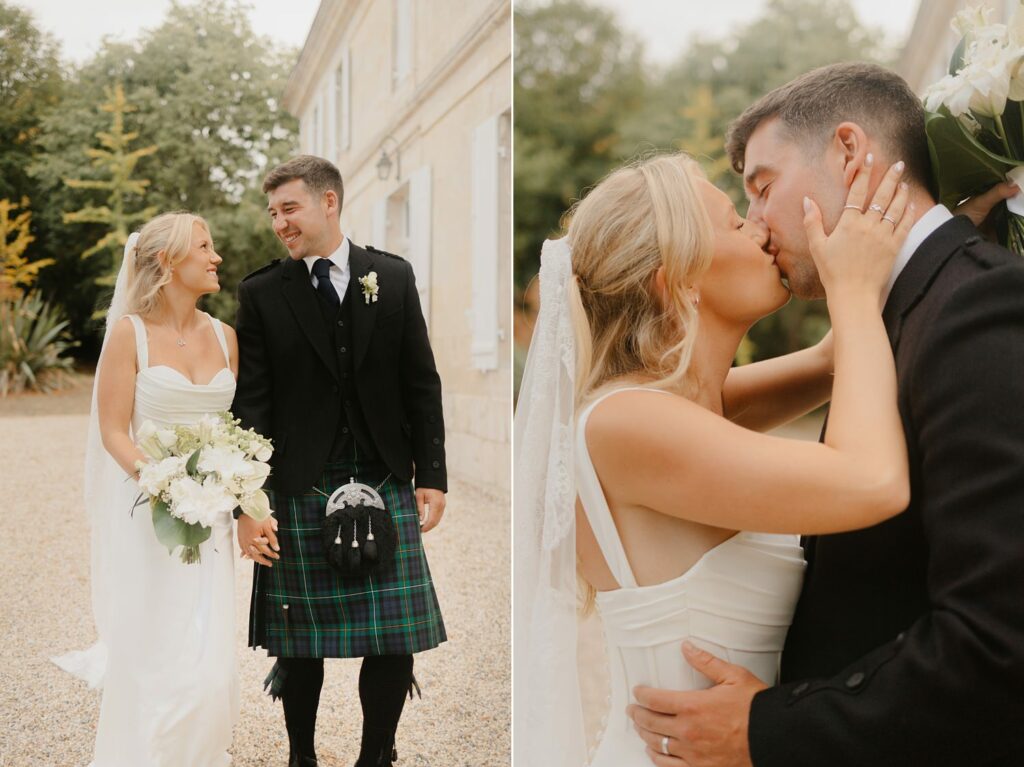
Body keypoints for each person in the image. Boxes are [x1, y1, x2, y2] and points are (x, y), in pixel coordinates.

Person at [629, 62, 1024, 767]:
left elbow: (999, 640)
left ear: (848, 152)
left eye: (762, 188)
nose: (756, 225)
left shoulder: (978, 306)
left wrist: (769, 729)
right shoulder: (886, 315)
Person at [514, 147, 918, 766]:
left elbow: (833, 358)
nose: (760, 228)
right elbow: (874, 481)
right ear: (677, 281)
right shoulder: (627, 424)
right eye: (735, 222)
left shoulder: (688, 407)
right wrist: (853, 290)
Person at [232, 155, 447, 767]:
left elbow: (420, 381)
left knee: (393, 636)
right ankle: (301, 757)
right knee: (300, 642)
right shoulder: (261, 292)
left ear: (329, 202)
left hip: (384, 470)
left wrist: (432, 475)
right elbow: (252, 404)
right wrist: (250, 501)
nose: (279, 223)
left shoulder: (392, 276)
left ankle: (375, 756)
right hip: (299, 480)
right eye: (273, 213)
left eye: (289, 208)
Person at [54, 212, 241, 766]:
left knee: (209, 654)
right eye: (204, 247)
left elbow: (237, 429)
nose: (216, 257)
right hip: (149, 509)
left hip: (213, 514)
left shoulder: (227, 337)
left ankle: (200, 751)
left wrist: (233, 483)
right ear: (168, 261)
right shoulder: (128, 334)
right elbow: (114, 430)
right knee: (151, 641)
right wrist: (164, 484)